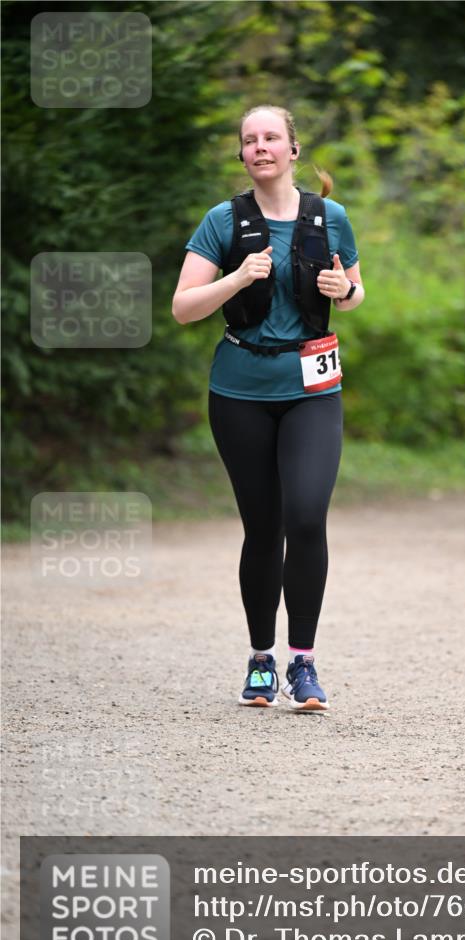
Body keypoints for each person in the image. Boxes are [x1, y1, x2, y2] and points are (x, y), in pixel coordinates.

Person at [172, 104, 364, 711]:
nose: (261, 147)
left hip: (312, 387)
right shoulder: (222, 222)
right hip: (240, 392)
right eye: (250, 140)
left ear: (293, 150)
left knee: (307, 516)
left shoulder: (329, 217)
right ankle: (260, 660)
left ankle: (302, 664)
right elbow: (183, 306)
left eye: (271, 137)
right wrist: (236, 279)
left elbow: (355, 291)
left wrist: (346, 291)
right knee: (264, 527)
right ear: (242, 155)